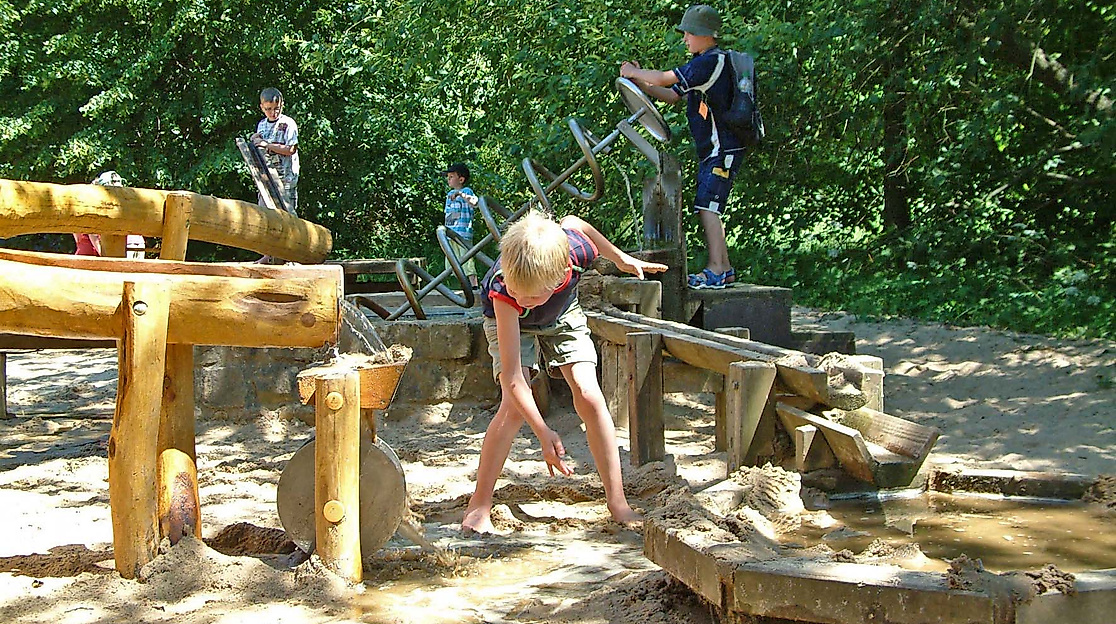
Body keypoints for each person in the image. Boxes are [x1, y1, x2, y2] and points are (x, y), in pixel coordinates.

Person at [461, 209, 668, 535]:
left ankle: (618, 502)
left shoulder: (575, 251)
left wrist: (622, 259)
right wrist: (543, 431)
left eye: (529, 294)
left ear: (561, 275)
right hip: (512, 325)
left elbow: (575, 222)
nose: (520, 296)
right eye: (516, 289)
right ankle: (479, 504)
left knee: (589, 394)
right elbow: (514, 377)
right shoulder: (504, 290)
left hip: (562, 314)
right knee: (512, 410)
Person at [620, 4, 744, 290]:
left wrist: (631, 72)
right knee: (707, 204)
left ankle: (716, 268)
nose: (685, 38)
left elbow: (665, 78)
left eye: (689, 33)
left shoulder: (709, 62)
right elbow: (671, 94)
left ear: (705, 35)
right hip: (715, 150)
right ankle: (724, 269)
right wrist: (638, 80)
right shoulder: (705, 63)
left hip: (722, 148)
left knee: (708, 206)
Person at [249, 87, 300, 263]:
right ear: (262, 107)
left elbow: (291, 149)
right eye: (268, 109)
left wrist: (266, 144)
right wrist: (256, 140)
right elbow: (259, 145)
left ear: (282, 105)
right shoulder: (262, 125)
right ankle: (268, 255)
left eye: (276, 108)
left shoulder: (288, 124)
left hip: (285, 178)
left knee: (287, 214)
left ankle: (292, 255)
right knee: (265, 215)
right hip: (267, 178)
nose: (273, 112)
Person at [74, 171, 146, 258]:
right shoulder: (128, 202)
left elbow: (83, 238)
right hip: (133, 244)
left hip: (129, 246)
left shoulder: (93, 206)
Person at [442, 163, 479, 291]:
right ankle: (461, 285)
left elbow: (474, 203)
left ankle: (473, 285)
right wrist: (447, 232)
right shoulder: (449, 195)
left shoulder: (466, 192)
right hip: (452, 234)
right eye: (448, 177)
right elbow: (451, 215)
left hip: (463, 234)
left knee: (467, 260)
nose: (449, 179)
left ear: (461, 179)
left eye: (451, 176)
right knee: (452, 260)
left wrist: (461, 194)